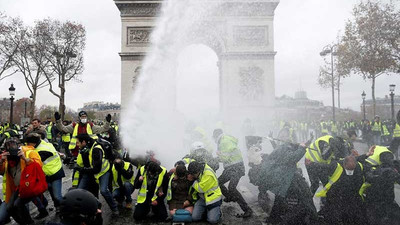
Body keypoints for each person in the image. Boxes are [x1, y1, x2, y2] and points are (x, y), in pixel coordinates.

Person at [72, 133, 119, 216]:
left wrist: (81, 169)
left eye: (78, 142)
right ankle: (81, 211)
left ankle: (114, 208)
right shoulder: (85, 148)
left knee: (104, 190)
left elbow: (97, 169)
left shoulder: (96, 149)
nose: (77, 144)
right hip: (90, 171)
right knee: (79, 190)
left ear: (83, 142)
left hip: (103, 171)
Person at [0, 138, 42, 225]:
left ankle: (31, 222)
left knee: (18, 205)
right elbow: (1, 171)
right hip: (17, 188)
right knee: (9, 208)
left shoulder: (29, 152)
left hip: (29, 185)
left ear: (19, 146)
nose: (11, 148)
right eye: (8, 147)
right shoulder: (6, 157)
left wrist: (24, 158)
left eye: (13, 145)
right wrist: (1, 161)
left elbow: (38, 166)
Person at [212, 128, 253, 218]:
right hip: (232, 167)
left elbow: (225, 158)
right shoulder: (225, 139)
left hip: (235, 167)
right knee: (218, 183)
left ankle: (247, 209)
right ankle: (231, 197)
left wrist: (217, 156)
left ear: (215, 136)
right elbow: (227, 156)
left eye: (213, 138)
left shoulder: (223, 142)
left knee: (232, 187)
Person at [315, 155, 367, 225]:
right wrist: (325, 181)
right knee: (333, 217)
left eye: (352, 170)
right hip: (336, 196)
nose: (350, 172)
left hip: (352, 196)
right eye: (348, 169)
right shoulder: (335, 166)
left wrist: (366, 155)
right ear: (344, 164)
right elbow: (320, 167)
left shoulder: (359, 167)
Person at [25, 133, 65, 214]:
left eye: (28, 144)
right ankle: (57, 207)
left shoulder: (42, 150)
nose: (27, 145)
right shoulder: (43, 144)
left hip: (55, 173)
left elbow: (34, 162)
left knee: (57, 195)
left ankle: (66, 210)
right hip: (49, 173)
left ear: (33, 143)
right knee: (49, 191)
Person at [364, 152, 400, 225]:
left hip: (374, 200)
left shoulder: (376, 169)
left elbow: (369, 178)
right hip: (386, 200)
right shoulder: (391, 171)